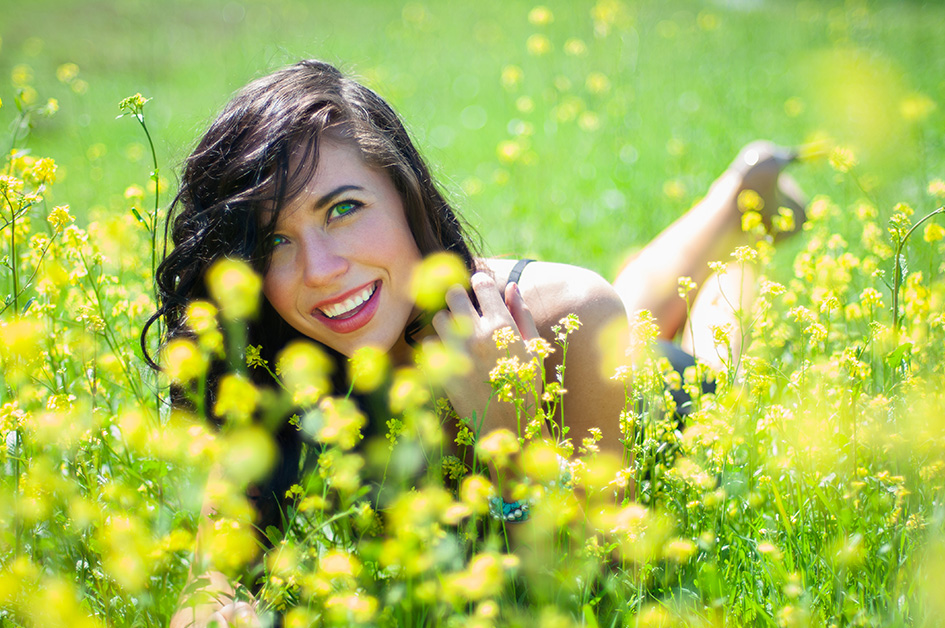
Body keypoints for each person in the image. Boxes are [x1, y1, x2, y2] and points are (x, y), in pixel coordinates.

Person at [149, 59, 805, 627]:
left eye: (342, 209)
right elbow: (211, 577)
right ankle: (737, 195)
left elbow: (598, 593)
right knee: (630, 307)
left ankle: (744, 232)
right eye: (273, 241)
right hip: (600, 330)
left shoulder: (569, 313)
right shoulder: (274, 362)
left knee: (694, 337)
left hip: (654, 394)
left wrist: (506, 427)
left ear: (405, 195)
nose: (320, 270)